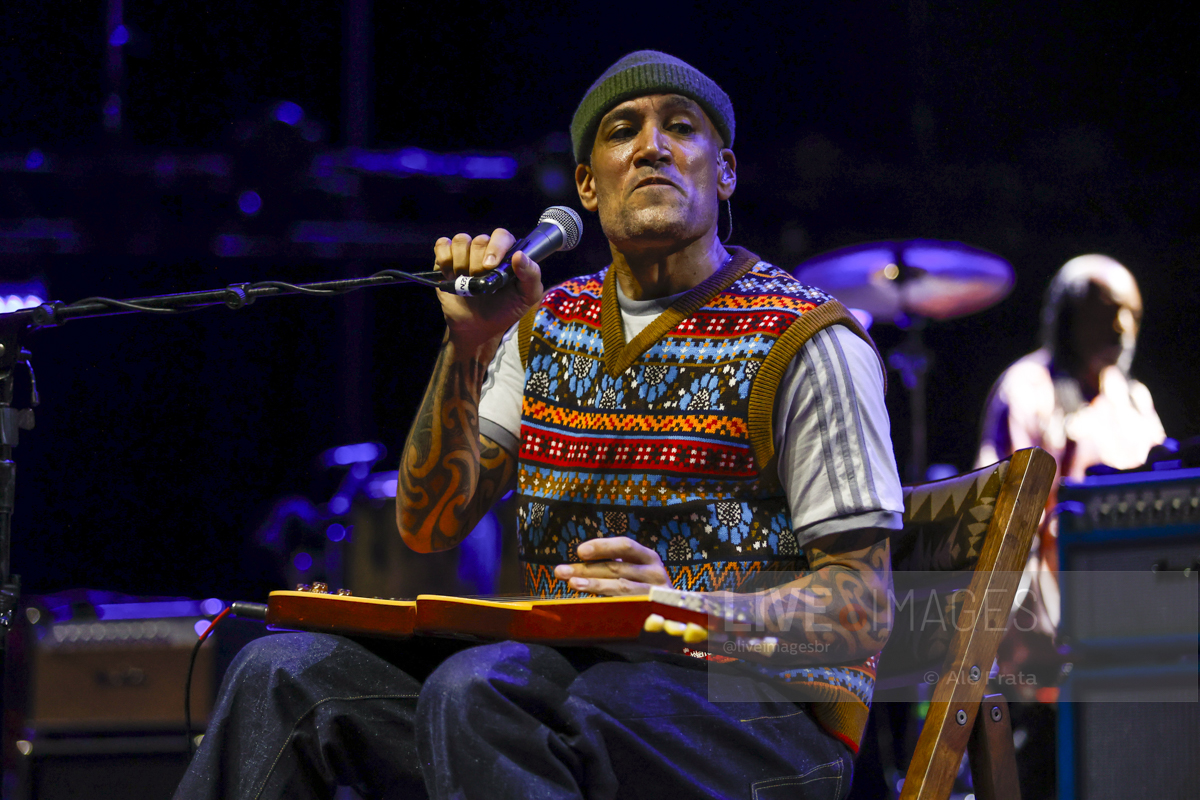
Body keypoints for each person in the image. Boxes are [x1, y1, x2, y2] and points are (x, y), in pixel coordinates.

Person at [174, 50, 903, 800]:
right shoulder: (550, 326)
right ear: (587, 185)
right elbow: (430, 523)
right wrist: (468, 345)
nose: (653, 146)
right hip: (562, 690)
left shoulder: (806, 340)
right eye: (623, 131)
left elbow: (864, 607)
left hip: (760, 720)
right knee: (280, 675)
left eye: (682, 128)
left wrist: (685, 610)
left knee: (484, 688)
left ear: (725, 173)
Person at [975, 254, 1165, 800]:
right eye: (1108, 311)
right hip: (1047, 654)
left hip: (1129, 648)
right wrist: (1036, 643)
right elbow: (1007, 529)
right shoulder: (1027, 388)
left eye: (1132, 314)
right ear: (1067, 315)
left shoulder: (1135, 402)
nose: (1122, 327)